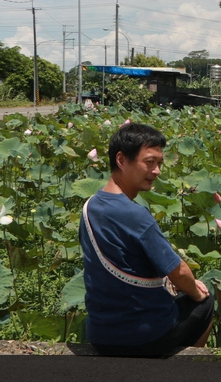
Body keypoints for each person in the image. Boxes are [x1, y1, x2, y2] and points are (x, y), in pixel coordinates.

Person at [79, 122, 213, 356]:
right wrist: (196, 293)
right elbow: (179, 271)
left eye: (160, 164)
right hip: (142, 338)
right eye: (149, 162)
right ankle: (187, 368)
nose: (157, 171)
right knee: (204, 303)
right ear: (121, 160)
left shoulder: (90, 207)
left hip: (99, 334)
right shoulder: (136, 215)